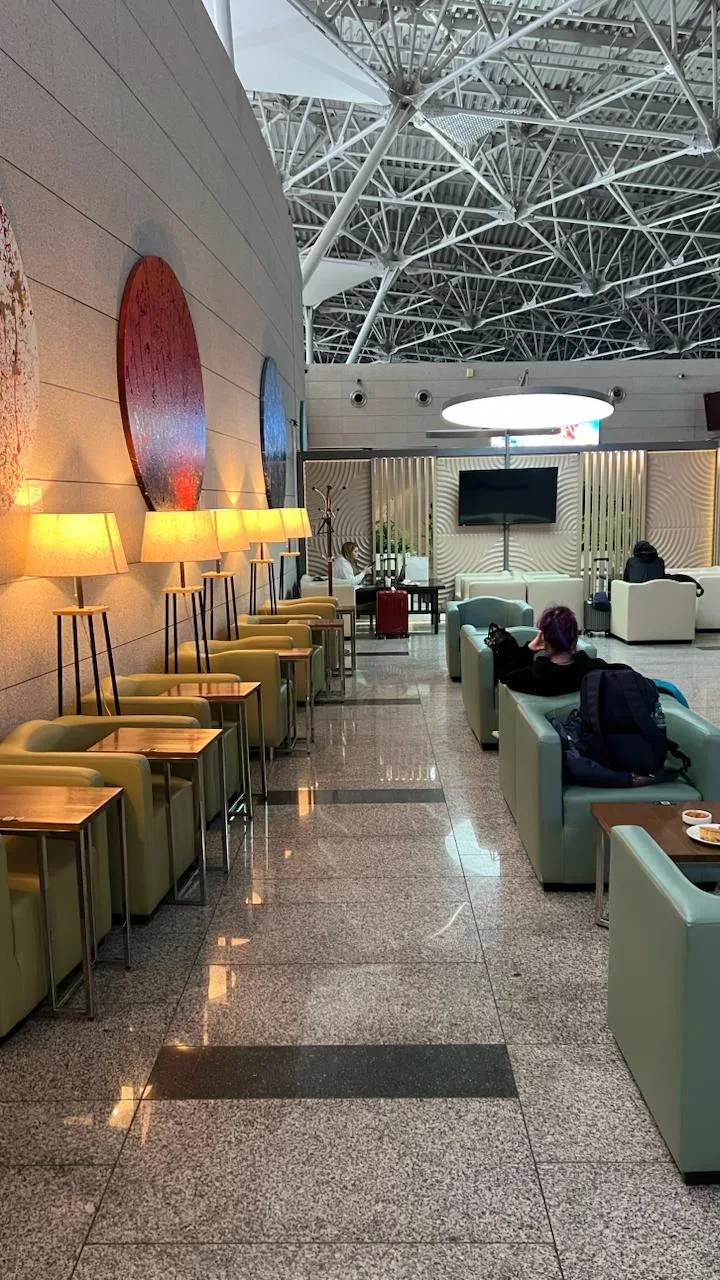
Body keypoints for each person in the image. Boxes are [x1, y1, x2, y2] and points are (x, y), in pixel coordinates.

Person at [500, 604, 608, 696]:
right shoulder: (593, 670)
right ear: (575, 639)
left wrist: (527, 650)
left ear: (544, 639)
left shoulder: (532, 678)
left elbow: (505, 675)